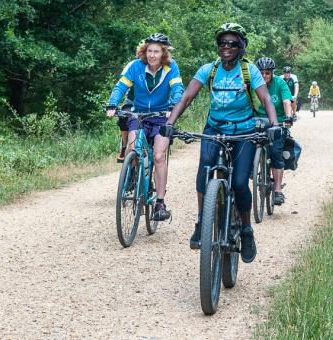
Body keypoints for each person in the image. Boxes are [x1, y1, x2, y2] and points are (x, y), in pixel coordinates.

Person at [160, 23, 280, 263]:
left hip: (243, 131)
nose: (226, 47)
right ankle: (201, 221)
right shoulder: (209, 69)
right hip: (214, 128)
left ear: (241, 47)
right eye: (222, 43)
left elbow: (265, 98)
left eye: (232, 43)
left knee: (238, 182)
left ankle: (246, 230)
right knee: (204, 170)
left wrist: (274, 125)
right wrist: (170, 123)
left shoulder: (250, 70)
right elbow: (186, 97)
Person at [106, 33, 184, 221]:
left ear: (163, 53)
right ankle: (135, 180)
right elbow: (121, 87)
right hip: (138, 114)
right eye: (149, 50)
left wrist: (173, 106)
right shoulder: (136, 67)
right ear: (144, 51)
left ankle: (160, 202)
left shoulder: (171, 68)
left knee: (158, 156)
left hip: (160, 117)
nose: (152, 55)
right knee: (132, 150)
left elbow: (178, 89)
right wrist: (112, 104)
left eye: (156, 51)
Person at [254, 57, 293, 206]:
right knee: (249, 146)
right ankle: (254, 169)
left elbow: (286, 101)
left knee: (276, 152)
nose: (264, 76)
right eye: (261, 73)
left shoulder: (280, 83)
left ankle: (277, 190)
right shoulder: (253, 83)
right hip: (258, 121)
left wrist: (288, 116)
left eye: (267, 73)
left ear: (272, 73)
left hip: (278, 121)